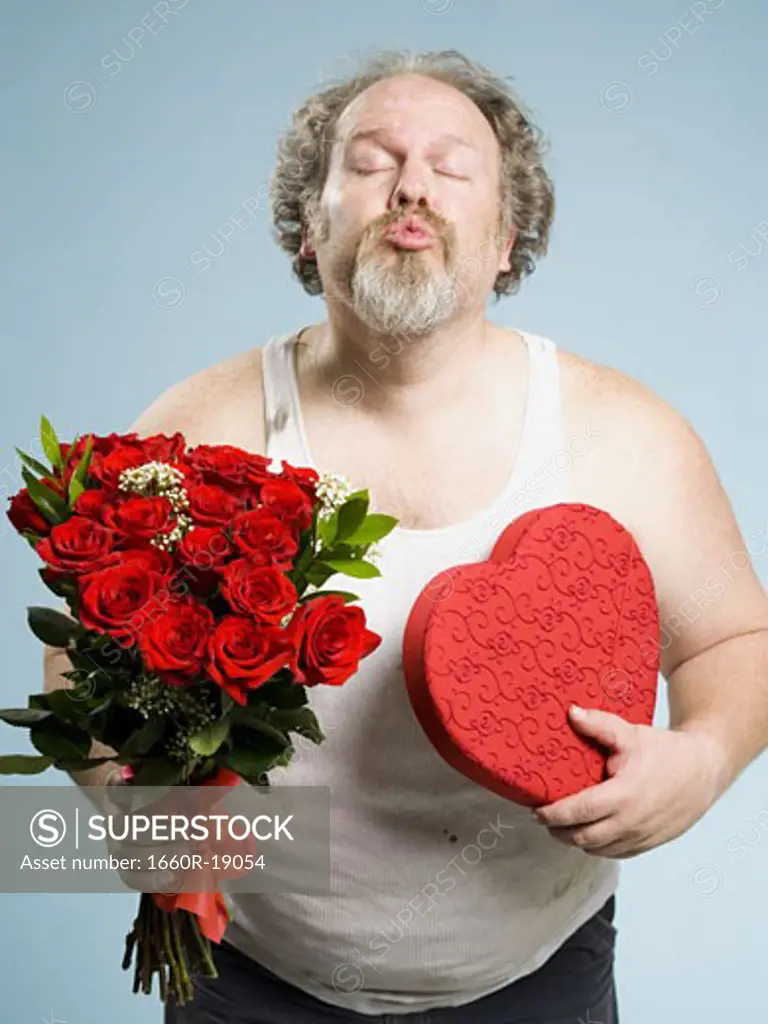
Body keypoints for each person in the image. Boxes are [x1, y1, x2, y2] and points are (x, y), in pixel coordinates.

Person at [45, 48, 768, 1023]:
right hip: (246, 984)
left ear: (510, 236)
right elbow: (76, 674)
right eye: (373, 160)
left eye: (453, 165)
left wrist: (705, 757)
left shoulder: (625, 435)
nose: (412, 184)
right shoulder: (196, 432)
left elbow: (738, 640)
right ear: (311, 224)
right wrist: (141, 826)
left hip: (540, 981)